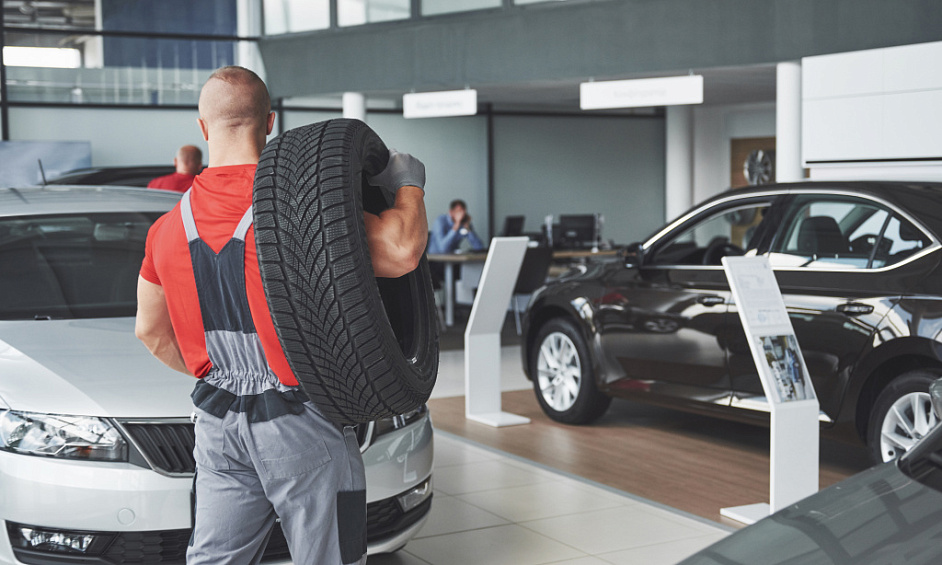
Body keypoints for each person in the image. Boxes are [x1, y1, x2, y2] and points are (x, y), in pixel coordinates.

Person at [134, 66, 428, 565]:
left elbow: (149, 332)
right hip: (300, 419)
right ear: (269, 122)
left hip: (215, 420)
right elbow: (401, 250)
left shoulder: (165, 228)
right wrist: (408, 185)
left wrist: (223, 379)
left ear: (202, 128)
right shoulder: (301, 212)